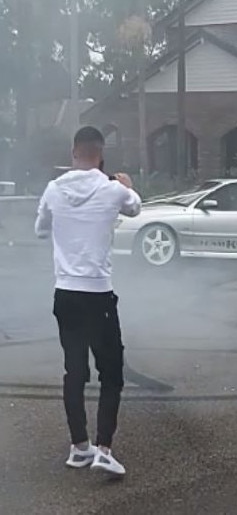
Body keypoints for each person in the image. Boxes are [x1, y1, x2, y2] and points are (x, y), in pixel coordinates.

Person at [35, 126, 142, 477]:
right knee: (111, 374)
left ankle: (80, 447)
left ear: (73, 153)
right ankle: (105, 450)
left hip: (65, 293)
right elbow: (136, 209)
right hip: (98, 294)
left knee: (74, 371)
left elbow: (40, 229)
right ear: (101, 154)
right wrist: (126, 186)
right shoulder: (112, 190)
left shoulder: (53, 189)